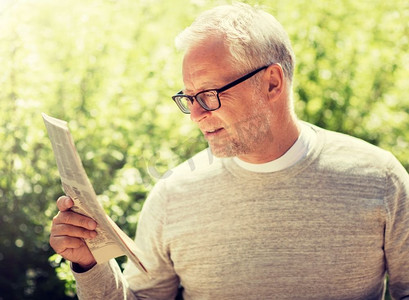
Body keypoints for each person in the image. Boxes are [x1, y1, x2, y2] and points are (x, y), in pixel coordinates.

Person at [49, 3, 409, 299]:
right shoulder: (173, 196)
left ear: (271, 83)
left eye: (208, 95)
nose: (196, 115)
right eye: (188, 99)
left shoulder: (380, 180)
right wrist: (89, 265)